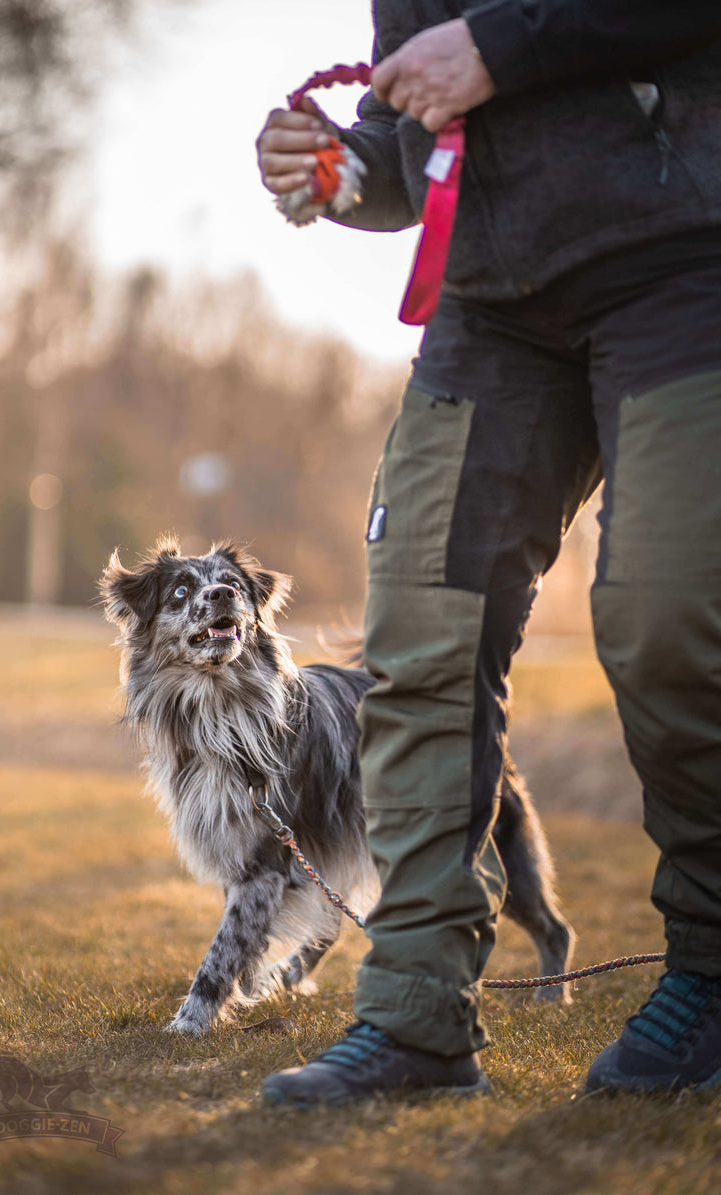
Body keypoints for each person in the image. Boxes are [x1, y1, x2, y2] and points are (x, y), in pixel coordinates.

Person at [255, 1, 721, 1104]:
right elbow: (419, 145)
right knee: (416, 640)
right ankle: (417, 1016)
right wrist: (344, 169)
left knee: (669, 617)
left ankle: (710, 959)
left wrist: (497, 48)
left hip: (681, 261)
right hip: (487, 308)